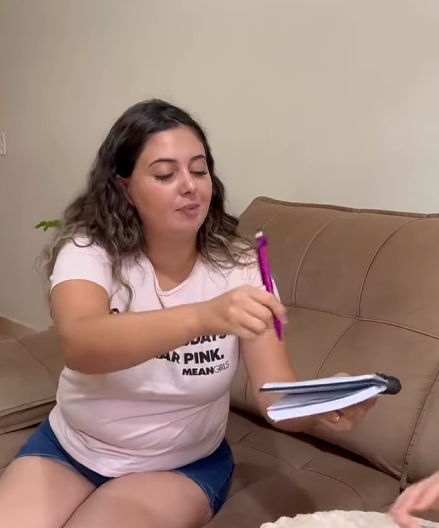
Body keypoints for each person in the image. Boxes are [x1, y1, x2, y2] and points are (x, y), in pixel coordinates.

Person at [0, 98, 376, 528]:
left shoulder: (241, 267)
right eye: (165, 174)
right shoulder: (89, 251)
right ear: (124, 187)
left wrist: (321, 403)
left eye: (199, 171)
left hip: (177, 467)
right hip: (71, 448)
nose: (189, 186)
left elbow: (275, 398)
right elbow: (80, 345)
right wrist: (204, 317)